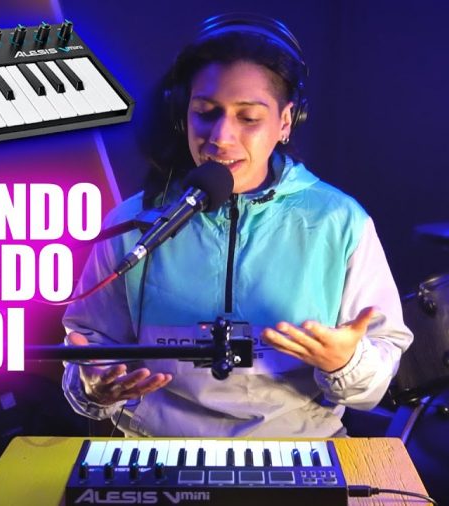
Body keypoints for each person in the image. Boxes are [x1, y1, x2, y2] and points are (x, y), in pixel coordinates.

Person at [61, 13, 413, 437]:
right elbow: (88, 350)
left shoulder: (340, 222)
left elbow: (379, 371)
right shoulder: (132, 224)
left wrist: (346, 362)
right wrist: (94, 387)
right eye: (205, 112)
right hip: (157, 450)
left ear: (286, 121)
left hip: (300, 452)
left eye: (248, 118)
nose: (220, 137)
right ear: (183, 115)